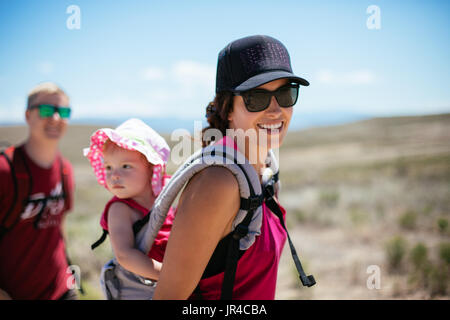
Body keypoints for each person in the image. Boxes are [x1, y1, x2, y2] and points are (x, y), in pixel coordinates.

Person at [153, 35, 310, 300]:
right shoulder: (219, 183)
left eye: (285, 94)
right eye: (255, 98)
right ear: (227, 109)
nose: (275, 110)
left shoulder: (265, 175)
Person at [0, 82, 77, 300]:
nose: (55, 118)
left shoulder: (65, 170)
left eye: (63, 112)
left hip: (63, 292)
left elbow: (58, 231)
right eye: (46, 110)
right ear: (27, 115)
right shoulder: (5, 170)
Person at [84, 118, 174, 298]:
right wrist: (171, 275)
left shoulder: (166, 196)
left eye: (126, 166)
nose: (114, 175)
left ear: (151, 167)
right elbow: (125, 255)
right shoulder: (120, 209)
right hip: (139, 289)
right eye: (108, 167)